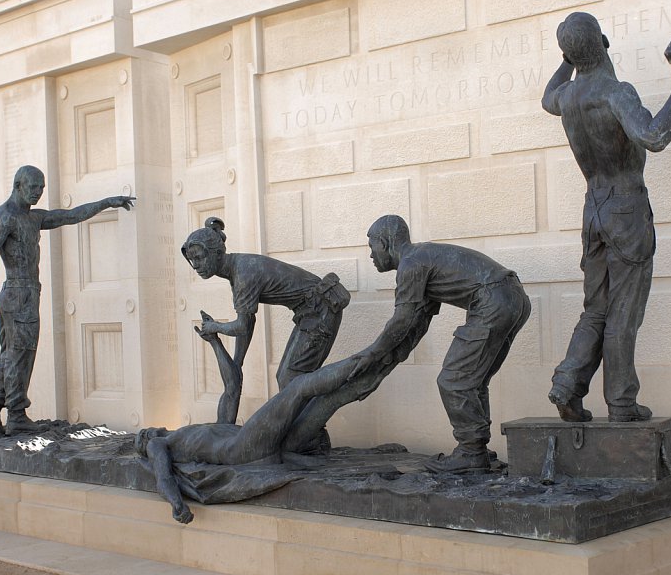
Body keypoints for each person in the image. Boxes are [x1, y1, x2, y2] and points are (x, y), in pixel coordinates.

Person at [541, 13, 671, 423]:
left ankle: (567, 384)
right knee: (623, 310)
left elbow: (547, 96)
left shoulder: (569, 97)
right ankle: (622, 403)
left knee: (596, 308)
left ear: (572, 55)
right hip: (625, 208)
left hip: (593, 209)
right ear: (605, 43)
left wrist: (568, 59)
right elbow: (654, 136)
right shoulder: (615, 93)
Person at [139, 307, 435, 524]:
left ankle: (396, 351)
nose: (145, 433)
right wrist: (177, 505)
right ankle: (374, 352)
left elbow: (232, 387)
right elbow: (164, 477)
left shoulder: (202, 431)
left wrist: (215, 342)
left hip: (269, 448)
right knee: (298, 388)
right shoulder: (161, 446)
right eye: (141, 437)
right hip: (244, 449)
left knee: (328, 400)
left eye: (144, 432)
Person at [350, 215, 531, 473]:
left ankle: (471, 452)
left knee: (453, 380)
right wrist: (386, 361)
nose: (370, 255)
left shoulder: (410, 265)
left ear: (386, 242)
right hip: (514, 298)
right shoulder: (424, 257)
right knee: (472, 381)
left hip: (493, 301)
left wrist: (371, 354)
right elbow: (417, 324)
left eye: (372, 246)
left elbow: (401, 321)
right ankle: (477, 449)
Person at [0, 165, 135, 436]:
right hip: (17, 295)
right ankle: (15, 415)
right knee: (20, 356)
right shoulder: (7, 217)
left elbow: (70, 215)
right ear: (17, 186)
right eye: (33, 187)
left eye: (41, 188)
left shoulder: (32, 217)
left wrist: (107, 202)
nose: (38, 193)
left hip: (24, 294)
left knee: (11, 355)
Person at [181, 217, 350, 424]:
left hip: (321, 310)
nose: (196, 266)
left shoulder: (243, 273)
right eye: (192, 260)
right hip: (311, 312)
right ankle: (307, 435)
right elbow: (247, 323)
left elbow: (242, 325)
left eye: (199, 257)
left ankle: (310, 436)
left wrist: (214, 327)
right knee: (287, 378)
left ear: (216, 253)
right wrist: (237, 362)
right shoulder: (238, 269)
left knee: (291, 379)